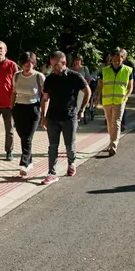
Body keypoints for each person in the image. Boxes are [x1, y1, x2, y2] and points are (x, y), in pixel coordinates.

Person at [40, 51, 90, 185]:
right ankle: (52, 173)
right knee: (52, 146)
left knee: (69, 145)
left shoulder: (75, 76)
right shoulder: (50, 79)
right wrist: (43, 116)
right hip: (53, 117)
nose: (54, 68)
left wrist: (82, 109)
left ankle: (71, 163)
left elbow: (87, 92)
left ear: (64, 63)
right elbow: (45, 98)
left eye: (56, 65)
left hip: (69, 116)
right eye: (52, 65)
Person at [10, 51, 45, 177]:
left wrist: (44, 113)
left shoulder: (39, 76)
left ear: (34, 63)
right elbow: (13, 92)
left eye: (30, 63)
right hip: (19, 108)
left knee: (28, 136)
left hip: (33, 108)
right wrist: (11, 107)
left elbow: (45, 95)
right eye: (25, 63)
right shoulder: (17, 76)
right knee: (22, 135)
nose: (27, 65)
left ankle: (24, 163)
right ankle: (29, 161)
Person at [95, 47, 133, 156]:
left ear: (122, 59)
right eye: (115, 59)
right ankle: (111, 142)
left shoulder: (128, 70)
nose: (117, 61)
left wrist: (126, 96)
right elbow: (100, 84)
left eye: (119, 59)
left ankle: (113, 145)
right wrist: (97, 96)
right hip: (107, 100)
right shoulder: (105, 70)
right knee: (109, 122)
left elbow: (130, 86)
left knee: (116, 122)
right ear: (111, 59)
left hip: (120, 100)